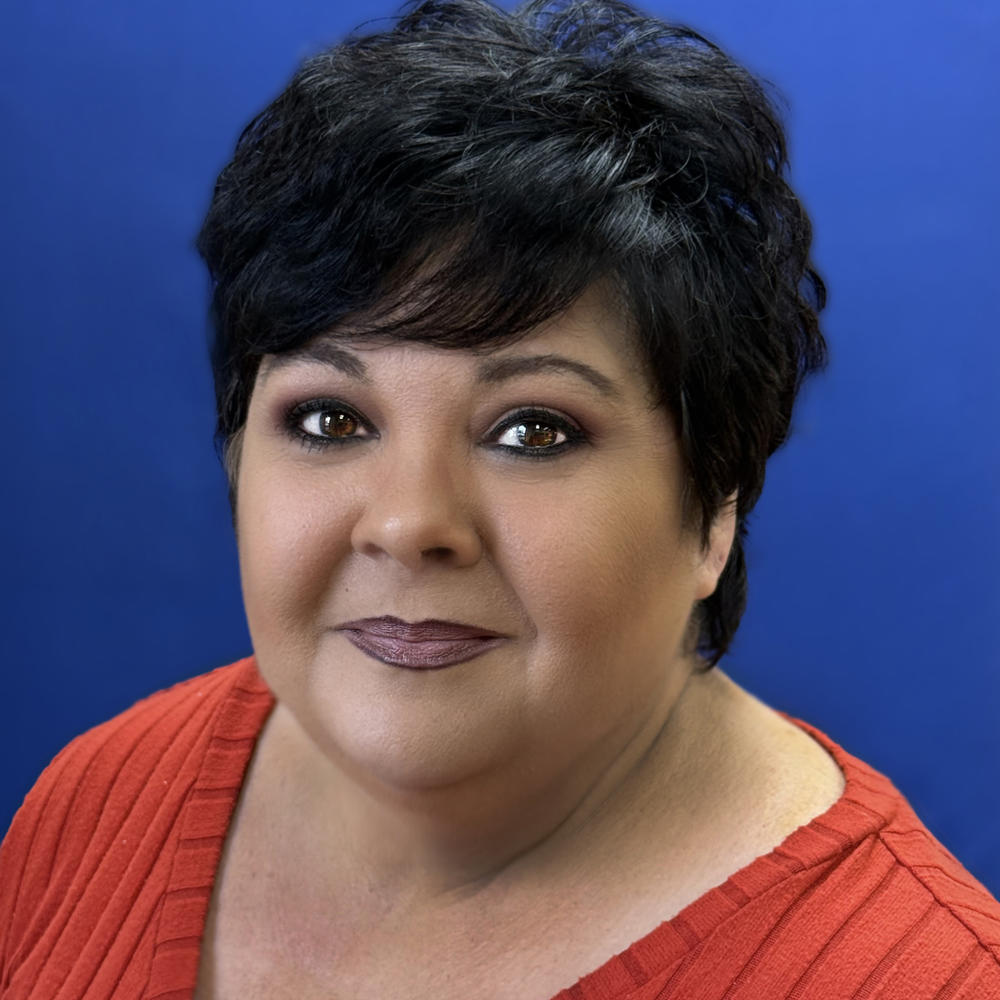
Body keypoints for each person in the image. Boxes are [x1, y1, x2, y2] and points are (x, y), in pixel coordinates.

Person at [2, 0, 998, 997]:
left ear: (712, 506)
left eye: (532, 430)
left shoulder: (925, 976)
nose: (407, 524)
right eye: (331, 420)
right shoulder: (101, 800)